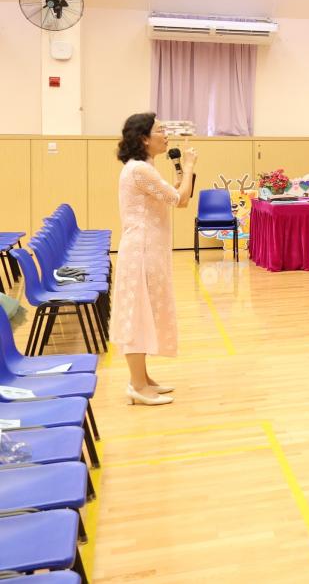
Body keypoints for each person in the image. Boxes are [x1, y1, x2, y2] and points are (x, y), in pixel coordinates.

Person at [112, 113, 195, 406]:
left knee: (145, 311)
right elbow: (180, 200)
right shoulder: (140, 170)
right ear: (144, 138)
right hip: (142, 251)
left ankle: (143, 379)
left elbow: (177, 198)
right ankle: (137, 385)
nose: (166, 134)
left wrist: (182, 178)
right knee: (137, 313)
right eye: (160, 130)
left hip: (149, 249)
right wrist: (189, 166)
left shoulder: (144, 167)